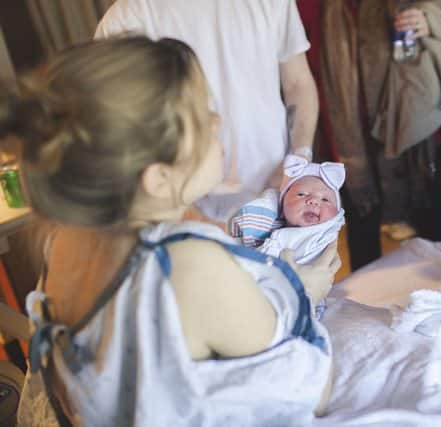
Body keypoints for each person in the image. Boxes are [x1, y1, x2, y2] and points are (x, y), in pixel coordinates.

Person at [3, 36, 339, 426]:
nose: (218, 122)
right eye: (203, 117)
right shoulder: (186, 264)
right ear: (159, 178)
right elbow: (310, 394)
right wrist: (303, 295)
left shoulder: (64, 242)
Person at [298, 0, 441, 269]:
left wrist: (432, 17)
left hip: (405, 109)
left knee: (426, 206)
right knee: (361, 215)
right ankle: (366, 302)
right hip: (342, 118)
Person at [96, 0, 319, 223]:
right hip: (179, 214)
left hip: (275, 197)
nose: (216, 122)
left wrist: (300, 156)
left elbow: (298, 83)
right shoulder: (125, 20)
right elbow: (117, 131)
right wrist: (184, 210)